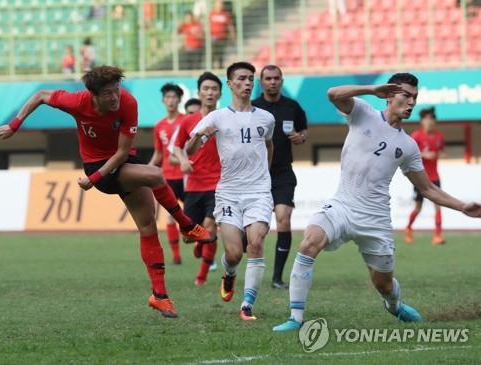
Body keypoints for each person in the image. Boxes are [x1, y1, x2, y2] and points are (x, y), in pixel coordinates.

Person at [273, 73, 481, 332]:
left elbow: (426, 188)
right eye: (406, 95)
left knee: (383, 283)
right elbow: (333, 94)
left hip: (375, 219)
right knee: (309, 241)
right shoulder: (363, 112)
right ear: (390, 94)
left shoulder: (408, 145)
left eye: (414, 97)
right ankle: (296, 318)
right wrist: (372, 89)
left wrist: (461, 206)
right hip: (342, 205)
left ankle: (394, 305)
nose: (411, 102)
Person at [0, 66, 211, 319]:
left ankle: (160, 296)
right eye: (108, 93)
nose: (115, 97)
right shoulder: (77, 101)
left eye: (116, 90)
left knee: (148, 228)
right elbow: (41, 95)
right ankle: (187, 225)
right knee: (155, 174)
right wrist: (15, 123)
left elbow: (122, 153)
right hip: (98, 167)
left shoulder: (128, 102)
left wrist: (92, 180)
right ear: (93, 95)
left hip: (121, 163)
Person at [188, 62, 275, 320]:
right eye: (241, 79)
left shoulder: (266, 118)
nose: (247, 83)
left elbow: (269, 145)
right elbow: (190, 151)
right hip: (228, 193)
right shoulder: (216, 117)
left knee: (256, 243)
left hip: (259, 191)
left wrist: (264, 176)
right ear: (230, 84)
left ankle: (247, 304)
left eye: (250, 79)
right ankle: (230, 274)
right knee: (234, 253)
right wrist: (197, 138)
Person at [252, 65, 308, 290]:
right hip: (256, 174)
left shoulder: (292, 106)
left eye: (276, 78)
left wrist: (300, 137)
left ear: (281, 81)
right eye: (268, 79)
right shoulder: (253, 107)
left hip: (283, 172)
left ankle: (277, 277)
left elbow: (304, 131)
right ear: (261, 82)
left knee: (283, 219)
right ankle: (245, 268)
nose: (272, 82)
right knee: (256, 230)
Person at [172, 72, 222, 286]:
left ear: (220, 93)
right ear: (199, 92)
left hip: (219, 184)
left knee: (210, 228)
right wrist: (183, 159)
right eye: (206, 89)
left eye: (214, 89)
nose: (210, 93)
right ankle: (199, 243)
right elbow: (176, 146)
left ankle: (201, 276)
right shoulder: (188, 121)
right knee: (188, 235)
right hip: (193, 185)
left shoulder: (225, 118)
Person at [149, 83, 187, 264]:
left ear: (179, 100)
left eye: (174, 97)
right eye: (168, 98)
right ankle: (176, 255)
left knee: (194, 216)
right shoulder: (159, 126)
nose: (171, 101)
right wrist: (147, 169)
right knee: (171, 215)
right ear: (163, 101)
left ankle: (201, 247)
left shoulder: (186, 121)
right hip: (168, 177)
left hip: (188, 176)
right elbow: (158, 153)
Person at [405, 107, 446, 245]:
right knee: (418, 208)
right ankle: (409, 229)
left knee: (438, 205)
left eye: (433, 118)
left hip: (435, 178)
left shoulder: (439, 137)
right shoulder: (416, 136)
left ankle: (437, 236)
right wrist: (424, 154)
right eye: (428, 118)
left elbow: (442, 152)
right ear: (422, 121)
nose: (431, 121)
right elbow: (407, 154)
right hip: (420, 178)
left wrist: (438, 155)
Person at [209, 0, 236, 69]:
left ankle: (220, 67)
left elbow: (230, 25)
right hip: (213, 37)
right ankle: (212, 68)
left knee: (221, 54)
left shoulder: (225, 14)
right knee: (213, 53)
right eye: (218, 4)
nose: (220, 6)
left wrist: (233, 35)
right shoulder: (211, 14)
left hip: (222, 38)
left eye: (221, 4)